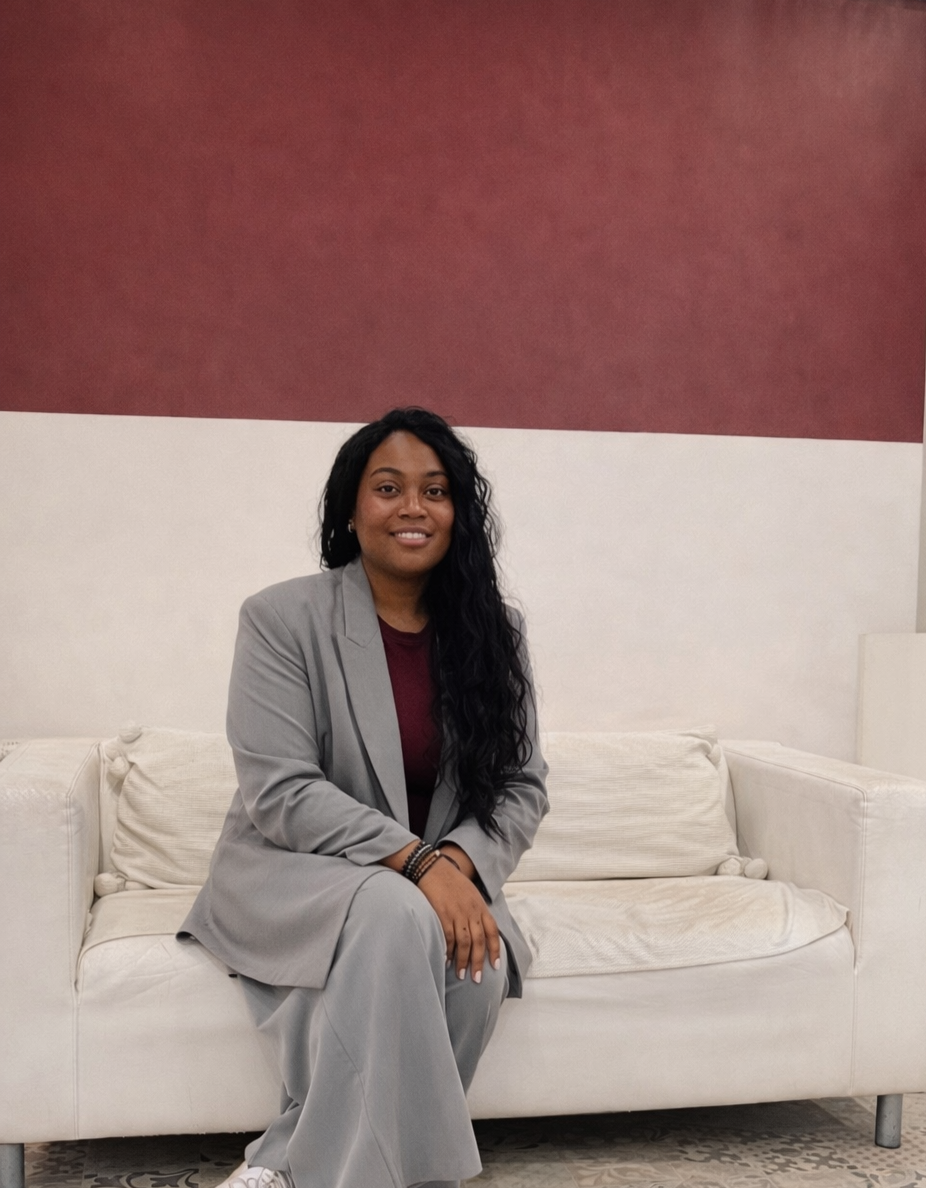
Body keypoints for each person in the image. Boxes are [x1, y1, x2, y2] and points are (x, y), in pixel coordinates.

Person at [179, 407, 548, 1188]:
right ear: (351, 507)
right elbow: (281, 791)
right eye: (388, 488)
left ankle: (287, 1163)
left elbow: (520, 787)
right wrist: (417, 865)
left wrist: (453, 863)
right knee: (393, 913)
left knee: (476, 970)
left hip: (433, 872)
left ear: (459, 513)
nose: (413, 507)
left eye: (435, 490)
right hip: (295, 870)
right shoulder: (282, 618)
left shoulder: (495, 632)